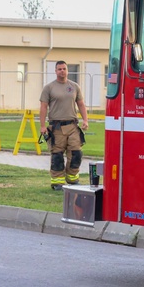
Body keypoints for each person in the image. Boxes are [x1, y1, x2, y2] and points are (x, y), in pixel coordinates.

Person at [39, 60, 89, 190]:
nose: (62, 71)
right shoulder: (49, 88)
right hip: (56, 127)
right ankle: (57, 182)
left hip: (72, 126)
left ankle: (73, 179)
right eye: (59, 69)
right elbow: (43, 107)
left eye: (64, 69)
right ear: (55, 71)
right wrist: (43, 126)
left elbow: (81, 104)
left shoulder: (74, 86)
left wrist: (85, 120)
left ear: (67, 70)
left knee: (76, 153)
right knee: (57, 155)